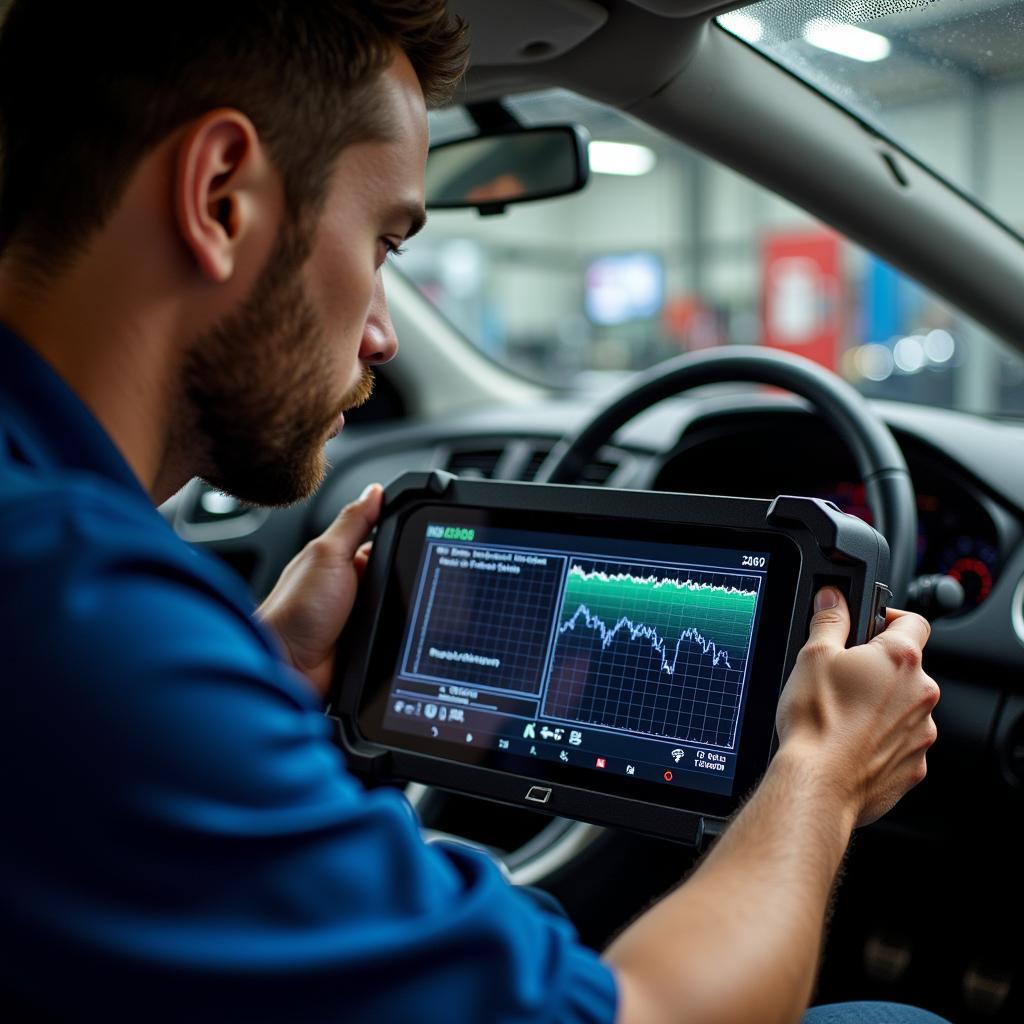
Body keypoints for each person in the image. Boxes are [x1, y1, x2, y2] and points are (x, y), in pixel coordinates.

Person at [0, 2, 945, 1021]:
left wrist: (256, 678)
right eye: (384, 242)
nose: (382, 336)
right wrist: (819, 770)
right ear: (221, 195)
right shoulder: (76, 605)